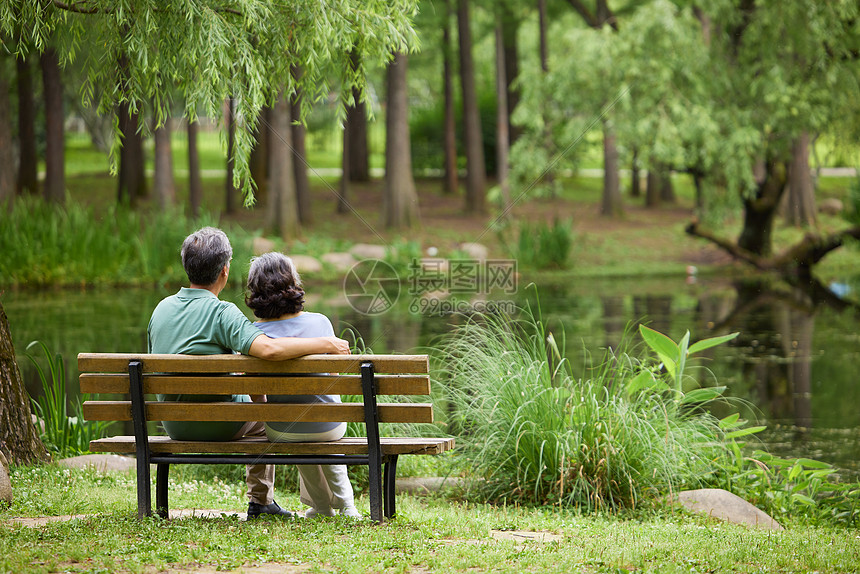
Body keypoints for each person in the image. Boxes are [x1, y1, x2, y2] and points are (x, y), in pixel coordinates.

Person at [147, 227, 350, 520]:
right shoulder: (222, 313)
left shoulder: (161, 310)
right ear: (224, 272)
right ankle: (260, 501)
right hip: (217, 425)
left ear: (186, 266)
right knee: (265, 412)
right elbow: (268, 351)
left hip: (174, 424)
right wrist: (327, 343)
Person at [245, 251, 360, 518]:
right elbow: (334, 379)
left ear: (256, 291)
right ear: (292, 284)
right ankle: (348, 506)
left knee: (296, 423)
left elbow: (256, 397)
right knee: (324, 412)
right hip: (329, 426)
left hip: (283, 429)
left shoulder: (254, 334)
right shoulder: (319, 322)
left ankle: (321, 506)